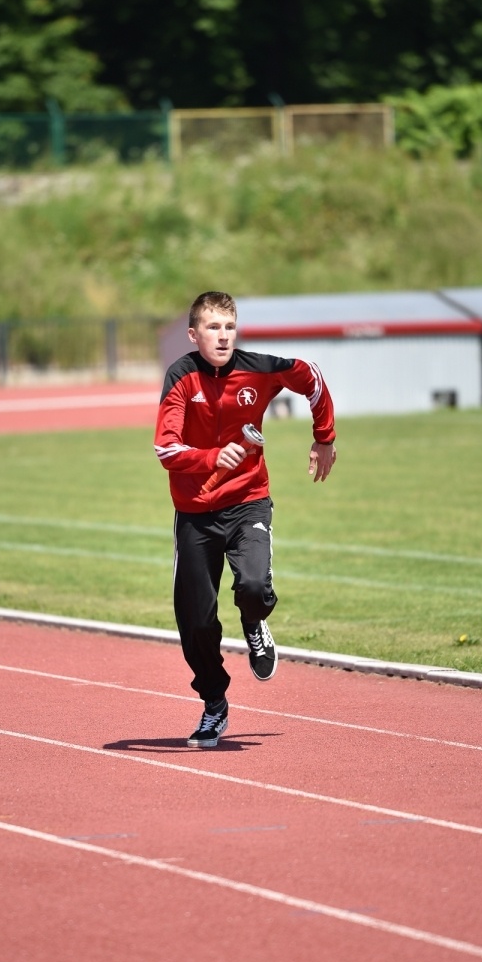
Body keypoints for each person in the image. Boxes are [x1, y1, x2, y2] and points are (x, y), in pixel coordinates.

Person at [154, 291, 336, 749]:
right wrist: (214, 456)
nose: (223, 336)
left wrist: (325, 437)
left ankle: (254, 622)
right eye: (213, 328)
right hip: (195, 513)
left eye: (229, 327)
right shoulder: (181, 376)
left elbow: (311, 378)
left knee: (253, 588)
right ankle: (214, 704)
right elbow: (166, 449)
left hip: (248, 502)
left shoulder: (260, 368)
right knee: (195, 621)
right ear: (194, 334)